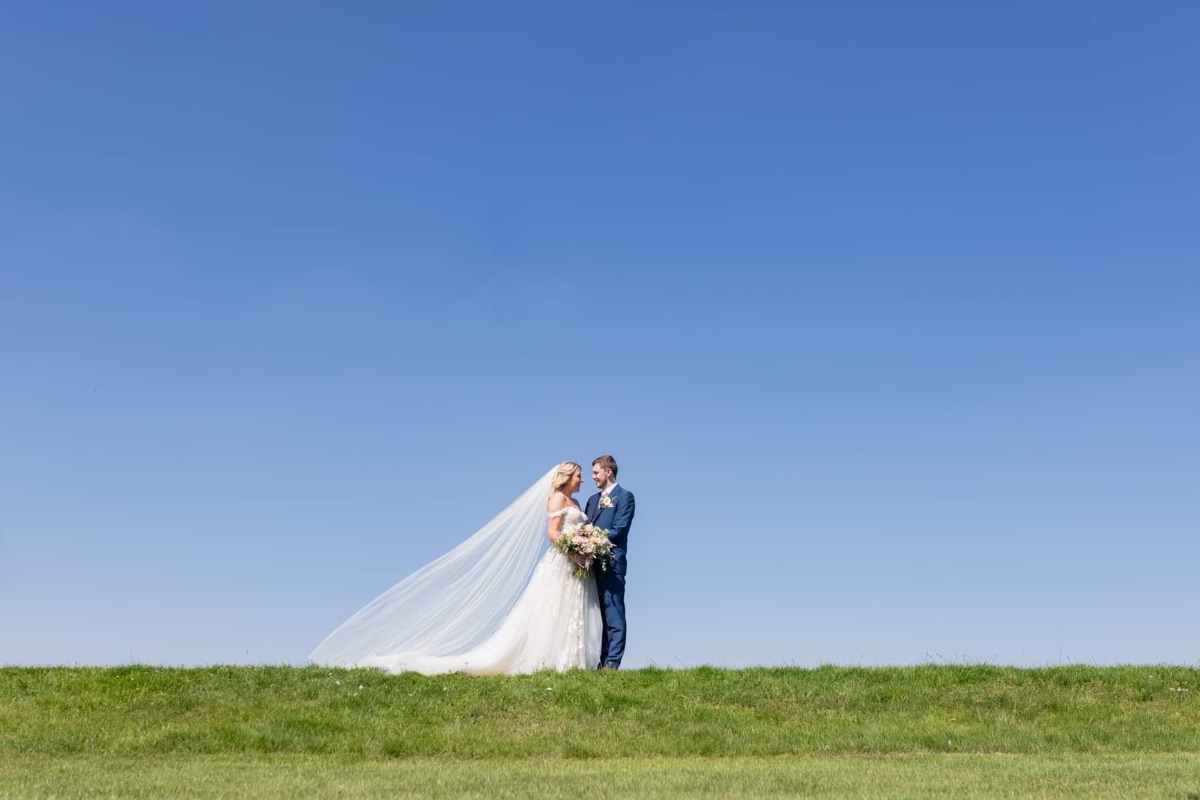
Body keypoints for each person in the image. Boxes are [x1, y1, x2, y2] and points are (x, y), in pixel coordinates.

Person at [309, 462, 601, 674]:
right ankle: (549, 662)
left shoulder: (575, 501)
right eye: (578, 476)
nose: (582, 480)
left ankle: (572, 664)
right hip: (563, 563)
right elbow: (552, 533)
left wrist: (586, 546)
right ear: (566, 477)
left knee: (573, 610)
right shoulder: (557, 498)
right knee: (552, 611)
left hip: (577, 565)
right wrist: (573, 550)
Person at [584, 455, 636, 669]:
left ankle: (612, 662)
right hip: (590, 564)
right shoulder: (591, 500)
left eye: (596, 472)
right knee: (597, 615)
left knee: (613, 611)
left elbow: (619, 528)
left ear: (608, 472)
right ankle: (599, 660)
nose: (592, 477)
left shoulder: (625, 497)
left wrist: (595, 540)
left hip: (612, 562)